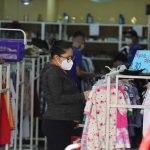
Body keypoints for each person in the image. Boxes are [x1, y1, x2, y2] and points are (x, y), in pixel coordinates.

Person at [41, 40, 89, 150]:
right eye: (68, 57)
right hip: (57, 124)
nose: (71, 61)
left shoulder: (59, 70)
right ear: (57, 58)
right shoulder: (53, 73)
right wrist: (83, 95)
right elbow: (57, 98)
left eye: (72, 58)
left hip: (63, 122)